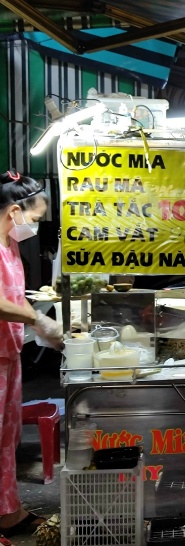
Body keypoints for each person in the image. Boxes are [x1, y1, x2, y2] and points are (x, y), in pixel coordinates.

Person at [0, 170, 62, 539]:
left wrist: (47, 332)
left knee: (6, 438)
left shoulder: (9, 243)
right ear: (13, 213)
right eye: (34, 218)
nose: (34, 226)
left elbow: (15, 294)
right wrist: (39, 320)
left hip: (8, 354)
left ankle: (8, 512)